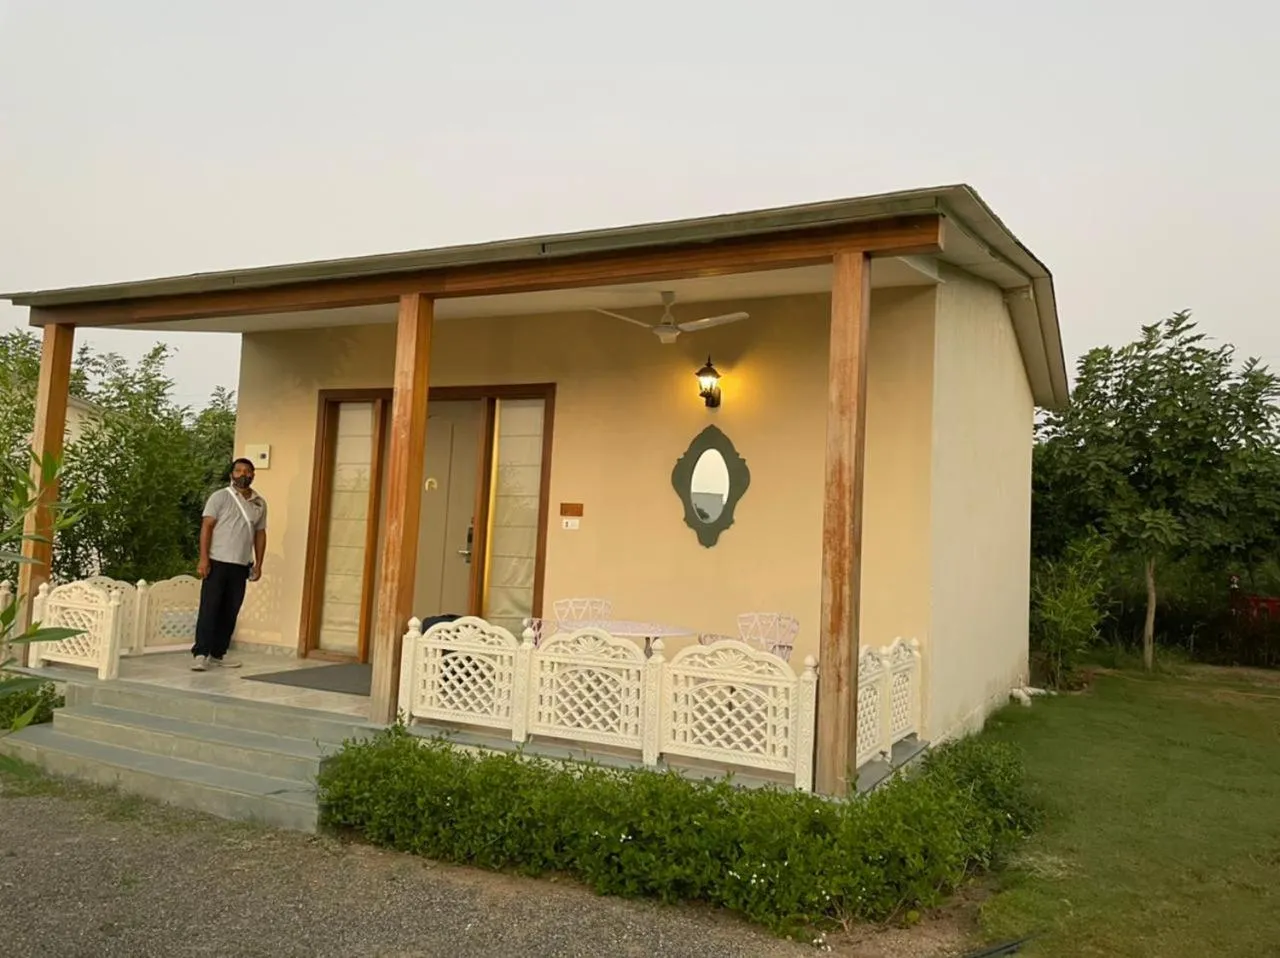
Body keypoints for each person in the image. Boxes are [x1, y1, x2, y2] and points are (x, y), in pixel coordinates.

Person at [191, 458, 266, 671]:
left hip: (240, 564)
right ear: (231, 474)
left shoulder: (259, 502)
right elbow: (207, 526)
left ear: (253, 475)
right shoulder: (220, 497)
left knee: (230, 609)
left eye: (247, 471)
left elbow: (260, 534)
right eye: (239, 470)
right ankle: (201, 653)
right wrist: (204, 558)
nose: (243, 474)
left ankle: (218, 653)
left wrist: (259, 563)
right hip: (217, 561)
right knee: (210, 607)